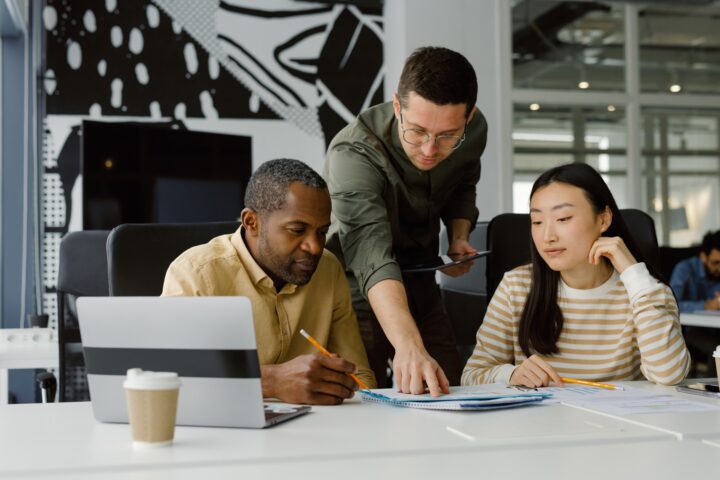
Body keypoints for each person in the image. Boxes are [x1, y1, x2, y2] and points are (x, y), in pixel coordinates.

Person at [323, 46, 488, 396]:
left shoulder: (473, 130)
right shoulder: (352, 153)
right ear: (398, 106)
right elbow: (370, 254)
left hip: (421, 276)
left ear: (469, 116)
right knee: (363, 394)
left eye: (447, 136)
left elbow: (463, 182)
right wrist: (408, 345)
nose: (430, 149)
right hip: (358, 284)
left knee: (449, 386)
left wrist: (458, 236)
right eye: (417, 131)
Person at [162, 158, 376, 404]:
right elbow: (167, 378)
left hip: (316, 423)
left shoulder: (328, 269)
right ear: (251, 222)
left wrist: (342, 386)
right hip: (226, 422)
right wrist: (270, 381)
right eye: (297, 230)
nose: (315, 247)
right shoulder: (195, 273)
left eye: (322, 232)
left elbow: (360, 378)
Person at [462, 163, 690, 388]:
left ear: (603, 220)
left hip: (620, 413)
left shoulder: (645, 290)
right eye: (537, 222)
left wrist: (634, 275)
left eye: (563, 218)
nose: (548, 236)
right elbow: (472, 375)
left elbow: (669, 374)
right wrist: (511, 374)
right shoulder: (516, 286)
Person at [670, 230, 720, 313]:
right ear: (703, 257)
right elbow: (671, 305)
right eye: (715, 263)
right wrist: (706, 305)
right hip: (686, 321)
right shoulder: (684, 269)